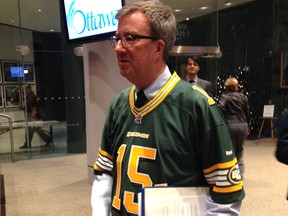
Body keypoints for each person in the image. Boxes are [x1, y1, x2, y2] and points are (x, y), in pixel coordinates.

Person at [91, 1, 244, 215]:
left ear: (158, 47)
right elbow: (104, 173)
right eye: (117, 39)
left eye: (130, 38)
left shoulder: (197, 107)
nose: (118, 48)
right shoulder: (118, 105)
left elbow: (226, 196)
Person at [219, 77, 250, 174]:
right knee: (239, 150)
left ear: (226, 86)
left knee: (230, 151)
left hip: (230, 126)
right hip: (242, 125)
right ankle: (239, 175)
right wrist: (248, 125)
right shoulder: (243, 97)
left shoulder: (224, 97)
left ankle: (231, 175)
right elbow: (247, 112)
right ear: (236, 86)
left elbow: (221, 108)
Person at [19, 85, 51, 149]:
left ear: (28, 89)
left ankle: (48, 139)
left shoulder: (31, 96)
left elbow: (34, 107)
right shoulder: (28, 96)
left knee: (34, 130)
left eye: (24, 89)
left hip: (32, 115)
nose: (23, 91)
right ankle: (28, 143)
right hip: (31, 114)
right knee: (32, 130)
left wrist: (32, 116)